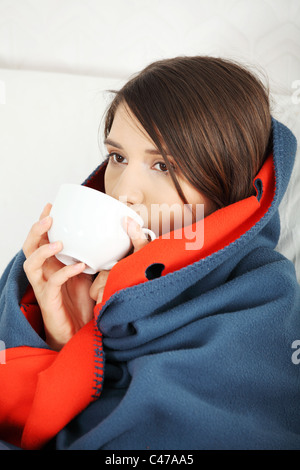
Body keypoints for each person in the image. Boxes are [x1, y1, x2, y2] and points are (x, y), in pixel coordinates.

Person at [0, 56, 299, 450]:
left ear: (229, 179)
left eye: (163, 165)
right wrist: (65, 339)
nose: (125, 192)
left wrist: (138, 304)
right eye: (118, 157)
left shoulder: (261, 288)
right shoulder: (51, 269)